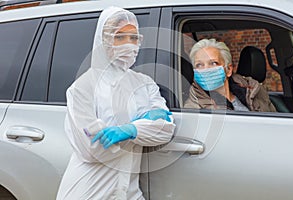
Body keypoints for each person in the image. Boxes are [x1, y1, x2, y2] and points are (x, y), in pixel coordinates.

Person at [56, 6, 175, 200]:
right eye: (120, 37)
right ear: (104, 41)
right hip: (89, 192)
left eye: (134, 37)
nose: (129, 44)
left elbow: (165, 130)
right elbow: (92, 149)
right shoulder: (82, 88)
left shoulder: (144, 84)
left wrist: (128, 130)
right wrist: (141, 126)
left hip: (128, 192)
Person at [184, 38, 276, 112]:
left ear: (228, 70)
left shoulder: (254, 91)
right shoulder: (193, 109)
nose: (206, 69)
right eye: (199, 65)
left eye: (213, 63)